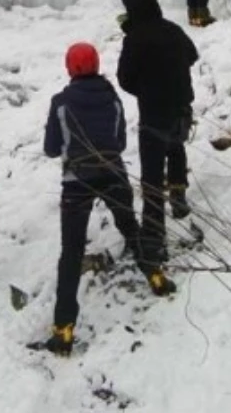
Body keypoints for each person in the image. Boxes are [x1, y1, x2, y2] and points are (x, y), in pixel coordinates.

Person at [40, 43, 175, 356]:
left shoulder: (60, 103)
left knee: (71, 252)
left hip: (77, 181)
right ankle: (155, 275)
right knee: (130, 227)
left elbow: (50, 147)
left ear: (69, 68)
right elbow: (119, 139)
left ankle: (64, 329)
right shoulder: (112, 98)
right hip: (113, 173)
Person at [117, 0, 199, 260]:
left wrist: (146, 87)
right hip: (180, 105)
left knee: (152, 175)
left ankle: (154, 238)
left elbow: (124, 78)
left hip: (153, 112)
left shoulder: (135, 38)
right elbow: (192, 54)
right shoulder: (173, 30)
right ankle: (178, 196)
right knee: (176, 147)